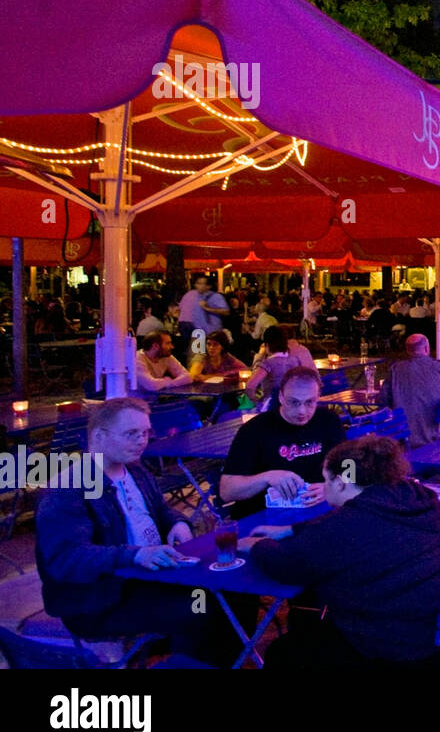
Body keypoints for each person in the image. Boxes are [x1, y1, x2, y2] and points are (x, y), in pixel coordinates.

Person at [239, 435, 440, 668]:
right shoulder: (416, 496)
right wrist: (292, 529)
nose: (322, 487)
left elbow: (286, 566)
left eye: (326, 480)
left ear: (340, 483)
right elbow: (346, 529)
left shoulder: (345, 528)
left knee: (283, 653)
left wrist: (256, 545)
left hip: (424, 654)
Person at [35, 398, 244, 666]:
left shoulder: (134, 469)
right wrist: (134, 556)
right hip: (101, 600)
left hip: (151, 578)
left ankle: (219, 660)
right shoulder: (68, 489)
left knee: (229, 590)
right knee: (197, 608)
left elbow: (161, 509)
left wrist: (179, 523)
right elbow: (67, 560)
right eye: (131, 433)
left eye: (145, 432)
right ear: (99, 436)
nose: (142, 441)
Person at [220, 367, 348, 519]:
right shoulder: (255, 430)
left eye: (309, 402)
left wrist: (332, 487)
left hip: (316, 513)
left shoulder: (328, 420)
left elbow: (350, 465)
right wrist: (267, 477)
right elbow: (226, 491)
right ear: (281, 397)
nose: (302, 411)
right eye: (293, 402)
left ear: (318, 397)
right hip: (265, 516)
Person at [379, 334, 440, 446]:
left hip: (406, 438)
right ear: (426, 348)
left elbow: (383, 400)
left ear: (407, 350)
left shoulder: (395, 370)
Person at [177, 275, 229, 355]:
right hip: (198, 333)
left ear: (208, 286)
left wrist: (208, 308)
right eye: (198, 283)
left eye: (202, 283)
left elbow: (226, 311)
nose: (199, 286)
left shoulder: (216, 297)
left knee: (212, 356)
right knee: (197, 358)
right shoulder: (194, 295)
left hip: (212, 333)